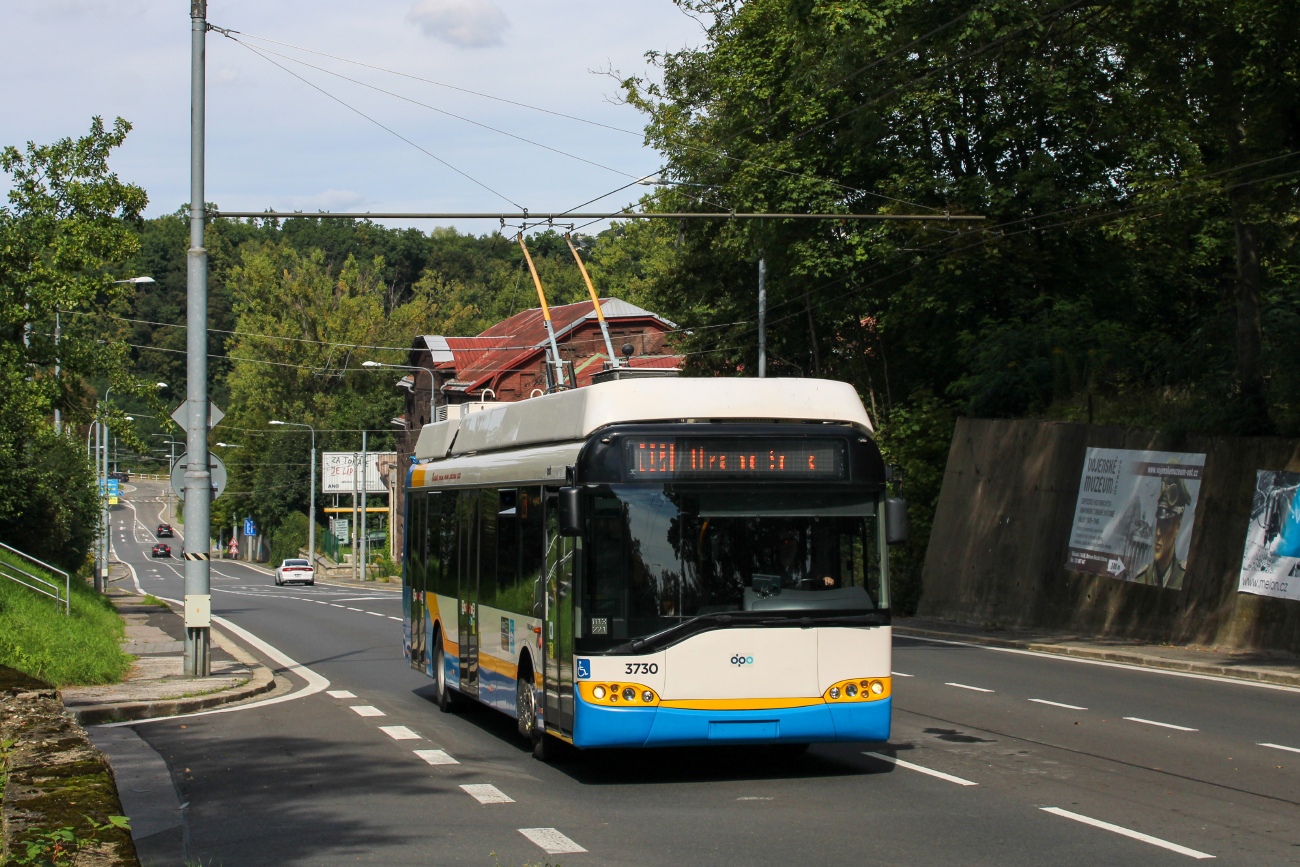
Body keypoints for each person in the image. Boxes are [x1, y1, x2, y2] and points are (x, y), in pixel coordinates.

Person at [1133, 477, 1191, 589]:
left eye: (1166, 524)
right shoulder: (1141, 578)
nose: (1159, 532)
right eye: (1159, 523)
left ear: (1177, 526)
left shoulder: (1184, 578)